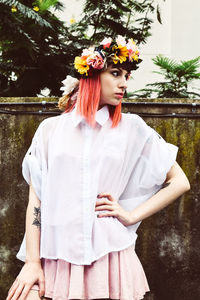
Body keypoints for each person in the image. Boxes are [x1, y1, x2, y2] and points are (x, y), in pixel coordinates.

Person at [7, 36, 190, 300]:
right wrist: (32, 262)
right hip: (54, 255)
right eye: (115, 73)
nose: (123, 83)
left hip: (108, 257)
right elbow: (37, 201)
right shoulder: (50, 130)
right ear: (91, 76)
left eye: (127, 76)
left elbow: (179, 181)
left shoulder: (132, 127)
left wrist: (130, 215)